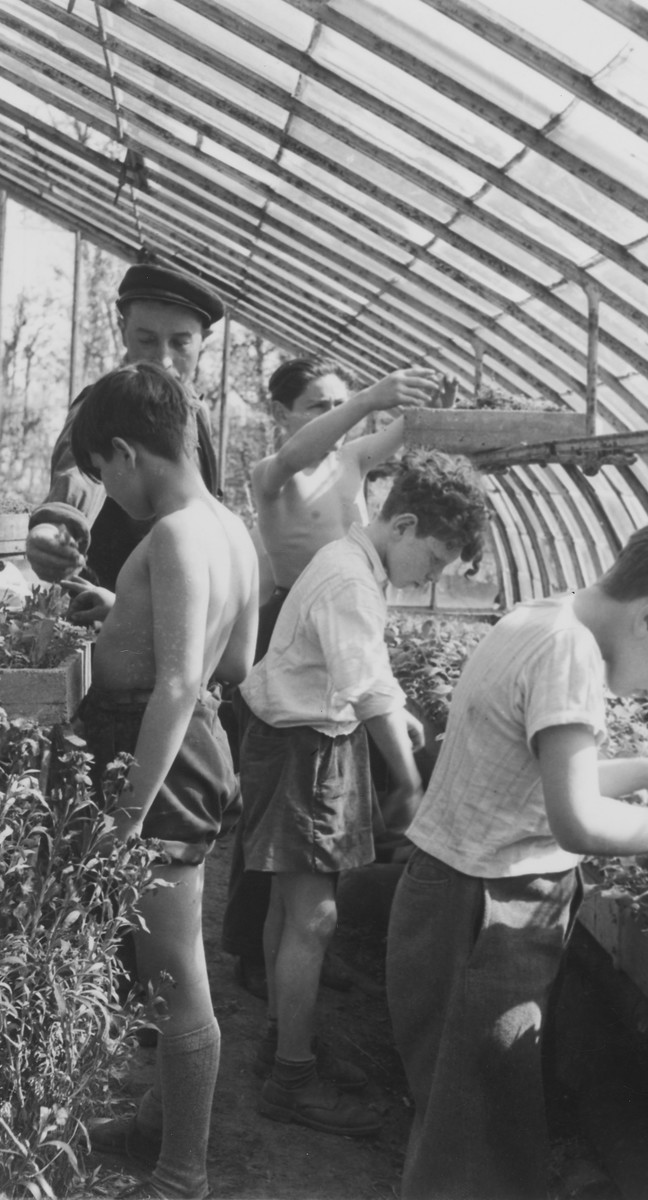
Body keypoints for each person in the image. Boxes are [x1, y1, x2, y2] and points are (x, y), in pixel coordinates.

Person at [386, 517, 648, 1200]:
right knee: (472, 1143)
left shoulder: (539, 618)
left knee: (456, 1124)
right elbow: (576, 818)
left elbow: (542, 771)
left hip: (450, 899)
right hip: (484, 913)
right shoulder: (572, 655)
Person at [237, 449, 489, 1137]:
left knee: (292, 909)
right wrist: (410, 786)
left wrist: (399, 709)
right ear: (402, 524)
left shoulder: (351, 567)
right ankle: (292, 1077)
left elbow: (361, 668)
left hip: (301, 740)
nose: (431, 576)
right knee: (313, 918)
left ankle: (281, 1040)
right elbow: (361, 684)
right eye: (434, 560)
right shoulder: (350, 581)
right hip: (303, 753)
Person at [70, 362, 258, 1199]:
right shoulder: (228, 528)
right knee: (157, 962)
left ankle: (184, 1172)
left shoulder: (178, 531)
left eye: (102, 474)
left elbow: (180, 682)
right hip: (185, 750)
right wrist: (120, 613)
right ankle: (157, 1121)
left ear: (124, 453)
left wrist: (127, 814)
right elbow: (236, 660)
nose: (108, 491)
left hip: (161, 766)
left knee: (177, 976)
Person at [222, 356, 442, 997]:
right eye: (319, 405)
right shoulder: (274, 475)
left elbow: (398, 432)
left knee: (317, 819)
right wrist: (370, 396)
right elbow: (300, 453)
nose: (335, 416)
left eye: (340, 404)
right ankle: (253, 952)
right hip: (287, 633)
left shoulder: (351, 463)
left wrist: (423, 405)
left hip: (345, 629)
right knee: (274, 817)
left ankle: (300, 945)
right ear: (281, 414)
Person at [26, 262, 226, 598]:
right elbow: (79, 477)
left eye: (180, 344)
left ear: (203, 340)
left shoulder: (197, 412)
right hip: (110, 617)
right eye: (146, 340)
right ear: (122, 331)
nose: (162, 359)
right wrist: (56, 528)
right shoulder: (105, 408)